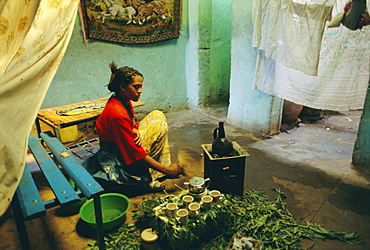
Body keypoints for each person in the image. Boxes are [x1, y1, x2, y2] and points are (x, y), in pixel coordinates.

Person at [84, 62, 183, 191]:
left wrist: (135, 128)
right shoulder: (117, 113)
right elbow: (135, 154)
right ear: (122, 87)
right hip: (114, 156)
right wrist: (168, 171)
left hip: (119, 144)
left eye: (141, 86)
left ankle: (155, 171)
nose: (140, 91)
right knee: (142, 151)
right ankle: (151, 177)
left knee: (157, 116)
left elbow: (132, 120)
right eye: (136, 87)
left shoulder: (123, 100)